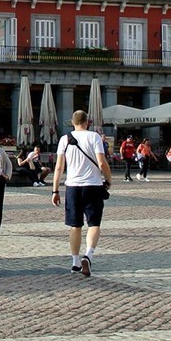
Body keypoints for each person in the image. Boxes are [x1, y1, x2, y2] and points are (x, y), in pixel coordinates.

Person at [50, 110, 111, 277]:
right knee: (94, 224)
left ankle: (75, 262)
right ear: (87, 122)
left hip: (73, 186)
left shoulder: (65, 139)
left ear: (72, 122)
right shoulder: (94, 137)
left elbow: (59, 167)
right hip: (93, 185)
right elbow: (101, 162)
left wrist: (55, 190)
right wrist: (109, 178)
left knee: (75, 225)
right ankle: (88, 255)